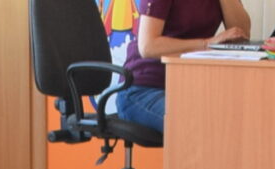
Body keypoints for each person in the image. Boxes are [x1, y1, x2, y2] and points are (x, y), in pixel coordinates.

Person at [107, 0, 255, 135]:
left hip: (187, 90)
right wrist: (205, 44)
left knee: (236, 122)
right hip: (142, 90)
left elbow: (241, 33)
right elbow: (148, 46)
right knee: (200, 127)